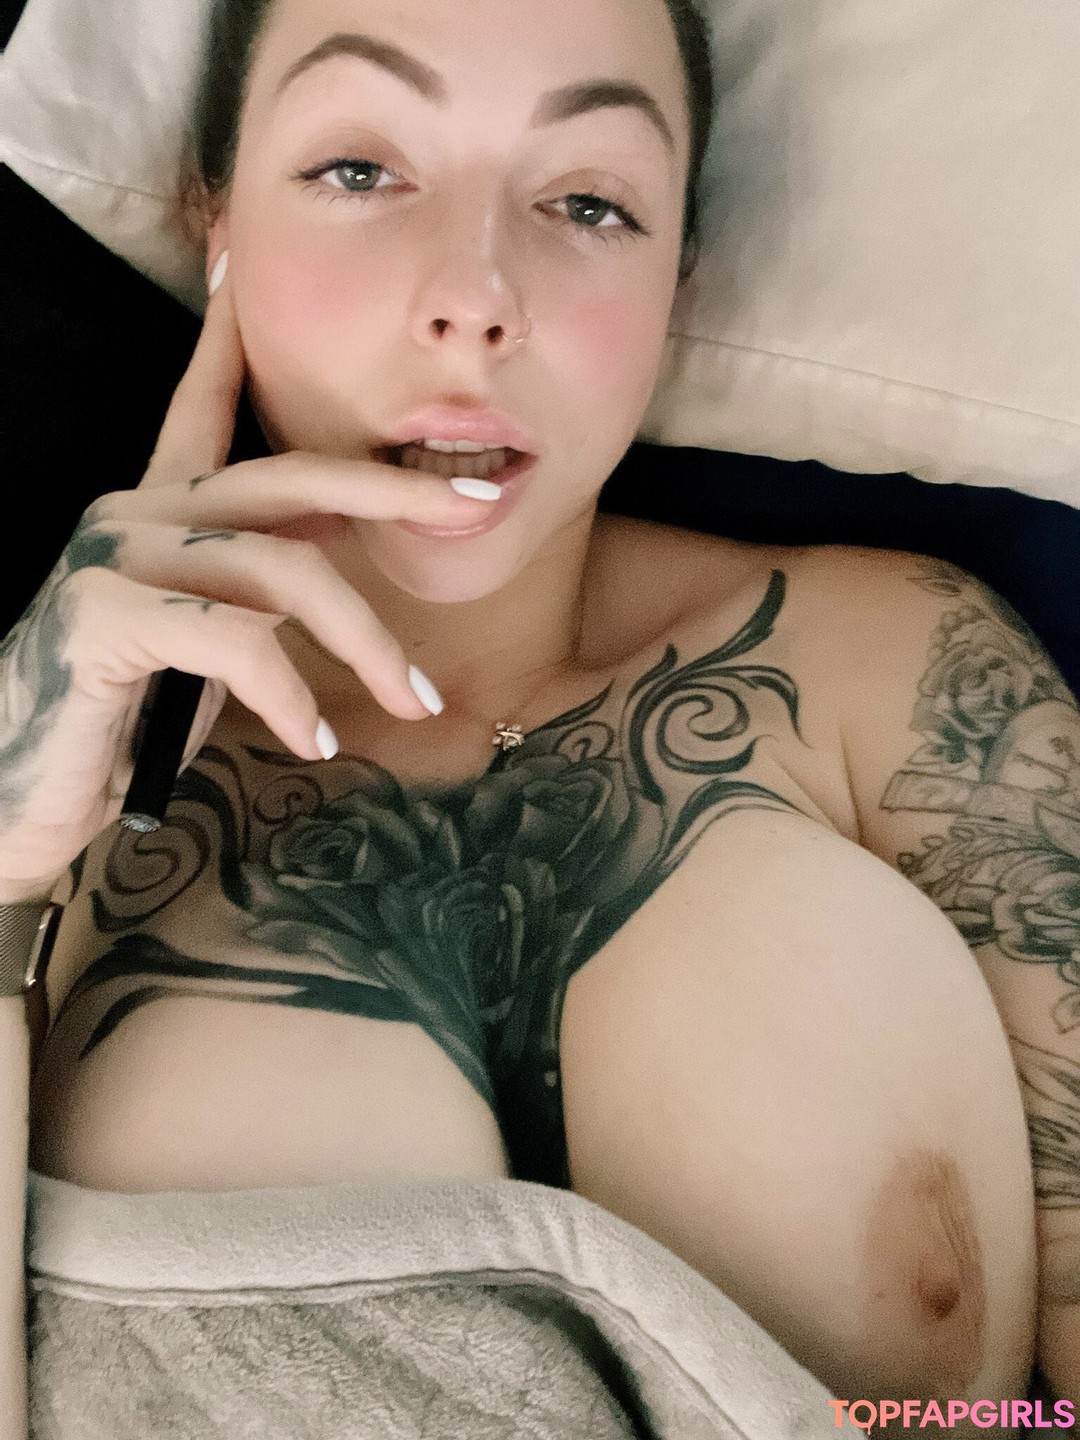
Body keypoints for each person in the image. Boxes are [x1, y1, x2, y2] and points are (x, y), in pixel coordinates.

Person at [3, 0, 1079, 1423]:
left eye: (587, 203)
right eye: (359, 171)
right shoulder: (37, 753)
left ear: (677, 277)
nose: (477, 294)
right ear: (217, 221)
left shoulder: (902, 672)